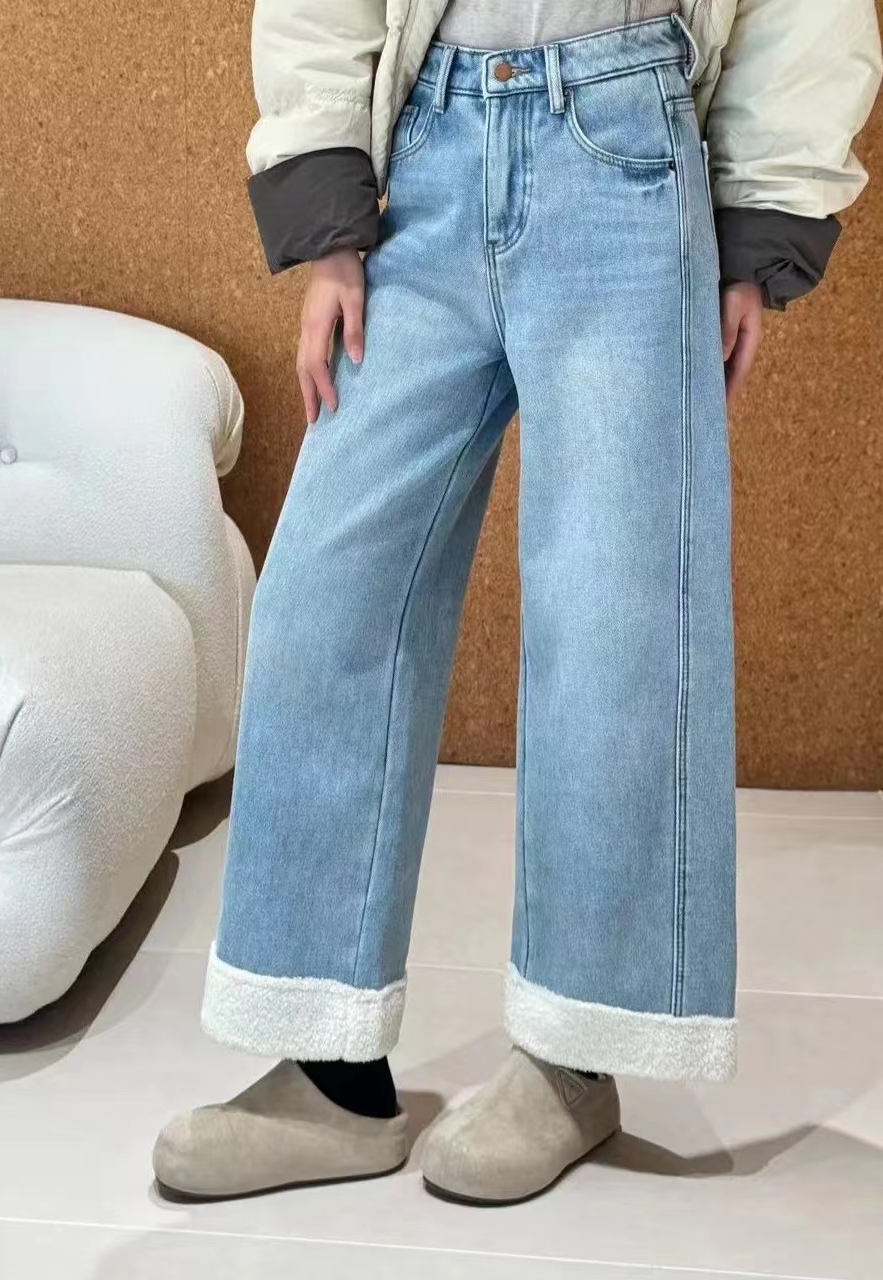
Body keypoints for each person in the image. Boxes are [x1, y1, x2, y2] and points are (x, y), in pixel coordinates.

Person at [153, 0, 881, 1206]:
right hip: (425, 156)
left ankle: (575, 1058)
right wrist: (330, 226)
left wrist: (760, 230)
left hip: (627, 157)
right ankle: (331, 1075)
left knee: (613, 615)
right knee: (329, 596)